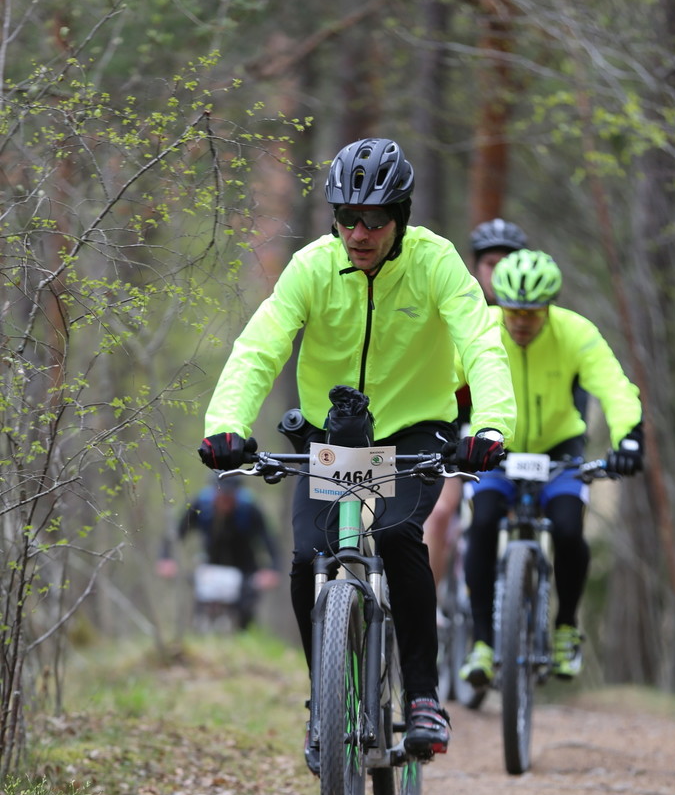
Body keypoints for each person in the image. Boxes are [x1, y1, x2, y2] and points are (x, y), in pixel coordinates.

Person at [197, 137, 516, 762]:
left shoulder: (435, 262)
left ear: (401, 218)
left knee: (398, 538)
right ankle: (327, 699)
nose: (359, 233)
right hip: (332, 438)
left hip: (413, 434)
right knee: (303, 560)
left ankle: (423, 694)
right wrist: (226, 423)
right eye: (347, 217)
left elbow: (480, 337)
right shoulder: (313, 266)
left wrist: (491, 426)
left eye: (374, 220)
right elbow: (260, 346)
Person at [459, 248, 644, 686]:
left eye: (533, 312)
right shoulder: (482, 330)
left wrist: (629, 439)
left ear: (549, 307)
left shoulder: (576, 333)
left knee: (567, 529)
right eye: (514, 311)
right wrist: (445, 430)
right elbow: (443, 380)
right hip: (497, 447)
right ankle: (482, 642)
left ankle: (565, 628)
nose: (521, 321)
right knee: (482, 522)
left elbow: (615, 387)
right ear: (500, 303)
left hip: (560, 448)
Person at [423, 218, 528, 589]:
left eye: (506, 262)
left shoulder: (534, 315)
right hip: (455, 427)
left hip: (516, 434)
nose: (498, 272)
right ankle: (428, 605)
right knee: (439, 514)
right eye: (490, 263)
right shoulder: (459, 305)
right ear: (476, 266)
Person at [157, 474, 281, 629]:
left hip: (244, 564)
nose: (225, 502)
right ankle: (201, 636)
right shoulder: (201, 504)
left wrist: (273, 569)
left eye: (229, 497)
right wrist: (165, 558)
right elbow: (176, 532)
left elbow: (268, 539)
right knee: (202, 603)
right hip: (210, 561)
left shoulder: (249, 508)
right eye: (221, 496)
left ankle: (242, 637)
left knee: (245, 608)